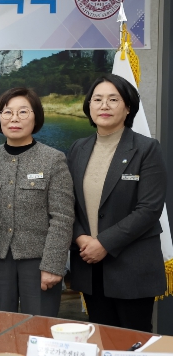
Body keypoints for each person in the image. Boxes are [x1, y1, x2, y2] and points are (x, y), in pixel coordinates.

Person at [67, 75, 167, 332]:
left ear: (128, 107)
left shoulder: (146, 148)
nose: (104, 105)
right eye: (97, 99)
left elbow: (149, 209)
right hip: (89, 264)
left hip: (132, 266)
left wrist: (104, 243)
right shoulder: (78, 148)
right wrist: (80, 237)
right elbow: (67, 202)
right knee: (101, 337)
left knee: (133, 341)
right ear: (89, 106)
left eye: (113, 99)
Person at [0, 87, 74, 316]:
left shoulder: (53, 159)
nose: (14, 118)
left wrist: (53, 264)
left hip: (39, 261)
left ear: (36, 117)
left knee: (39, 328)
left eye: (23, 112)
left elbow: (63, 217)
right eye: (7, 112)